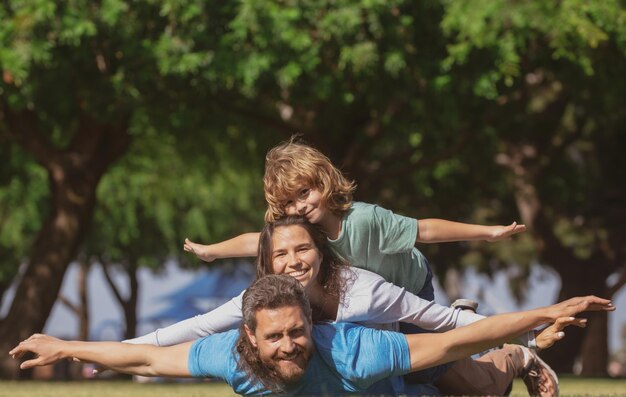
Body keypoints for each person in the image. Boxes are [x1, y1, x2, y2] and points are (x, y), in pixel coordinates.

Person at [131, 217, 554, 395]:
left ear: (322, 250)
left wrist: (526, 332)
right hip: (378, 378)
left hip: (409, 341)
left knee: (483, 388)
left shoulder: (363, 289)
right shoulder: (263, 302)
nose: (293, 261)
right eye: (281, 254)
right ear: (268, 262)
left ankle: (516, 358)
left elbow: (440, 319)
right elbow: (197, 328)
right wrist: (124, 349)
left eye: (303, 249)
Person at [11, 275, 614, 395]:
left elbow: (454, 341)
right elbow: (144, 356)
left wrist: (539, 316)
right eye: (275, 338)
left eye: (296, 332)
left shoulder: (349, 349)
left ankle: (514, 361)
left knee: (482, 384)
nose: (289, 345)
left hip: (414, 377)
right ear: (250, 336)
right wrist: (64, 346)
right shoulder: (232, 357)